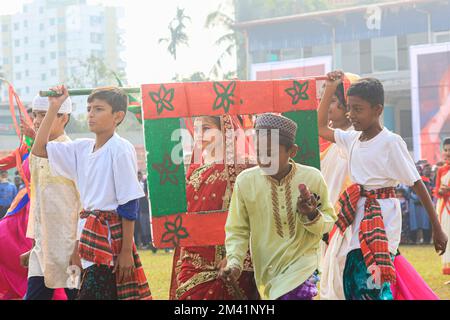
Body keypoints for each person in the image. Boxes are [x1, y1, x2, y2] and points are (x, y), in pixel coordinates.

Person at [318, 71, 447, 300]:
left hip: (382, 217)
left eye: (358, 109)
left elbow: (417, 185)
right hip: (354, 218)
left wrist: (437, 229)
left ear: (377, 110)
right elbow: (320, 127)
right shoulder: (352, 140)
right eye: (349, 108)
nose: (352, 115)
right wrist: (329, 88)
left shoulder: (390, 142)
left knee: (372, 281)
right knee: (350, 275)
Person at [31, 85, 152, 300]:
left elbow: (129, 204)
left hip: (110, 239)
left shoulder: (120, 148)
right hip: (86, 236)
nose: (90, 114)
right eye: (88, 109)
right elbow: (39, 148)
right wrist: (53, 107)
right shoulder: (80, 148)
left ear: (118, 116)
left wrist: (125, 252)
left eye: (98, 109)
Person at [221, 113, 336, 300]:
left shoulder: (312, 178)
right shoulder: (245, 182)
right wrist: (234, 263)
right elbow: (237, 229)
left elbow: (328, 223)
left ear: (292, 151)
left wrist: (312, 215)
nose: (264, 159)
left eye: (271, 153)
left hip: (305, 266)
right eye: (259, 152)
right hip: (270, 271)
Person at [169, 115, 259, 300]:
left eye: (207, 128)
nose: (199, 135)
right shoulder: (194, 170)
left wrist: (237, 258)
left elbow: (255, 217)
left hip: (230, 262)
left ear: (225, 130)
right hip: (192, 260)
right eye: (197, 129)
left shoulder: (245, 167)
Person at [21, 95, 81, 300]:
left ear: (64, 117)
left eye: (43, 115)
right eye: (35, 115)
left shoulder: (71, 152)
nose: (37, 120)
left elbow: (81, 204)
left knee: (76, 296)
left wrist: (77, 247)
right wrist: (34, 247)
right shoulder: (36, 156)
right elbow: (39, 206)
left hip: (71, 252)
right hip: (43, 252)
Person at [435, 137, 450, 275]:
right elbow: (436, 190)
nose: (448, 153)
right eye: (445, 150)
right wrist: (440, 191)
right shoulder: (441, 170)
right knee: (447, 236)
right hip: (444, 208)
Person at [409, 165, 432, 244]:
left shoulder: (425, 180)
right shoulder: (409, 178)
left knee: (424, 222)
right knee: (414, 223)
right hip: (413, 202)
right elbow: (408, 191)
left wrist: (422, 199)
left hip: (423, 203)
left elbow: (428, 191)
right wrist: (412, 197)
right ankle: (414, 240)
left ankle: (426, 240)